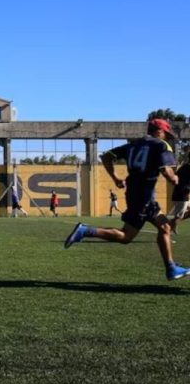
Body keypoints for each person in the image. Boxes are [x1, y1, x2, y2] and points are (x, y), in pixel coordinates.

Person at [64, 118, 189, 281]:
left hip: (135, 192)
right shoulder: (161, 145)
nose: (166, 137)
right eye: (166, 133)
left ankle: (171, 268)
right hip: (144, 195)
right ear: (159, 131)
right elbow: (166, 170)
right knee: (127, 236)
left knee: (163, 227)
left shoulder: (134, 145)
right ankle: (85, 230)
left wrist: (115, 177)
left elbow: (106, 157)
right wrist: (174, 179)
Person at [168, 158, 190, 234]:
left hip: (182, 194)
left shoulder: (183, 167)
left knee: (180, 216)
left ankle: (173, 223)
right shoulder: (186, 168)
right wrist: (186, 192)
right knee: (178, 215)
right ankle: (169, 230)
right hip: (182, 195)